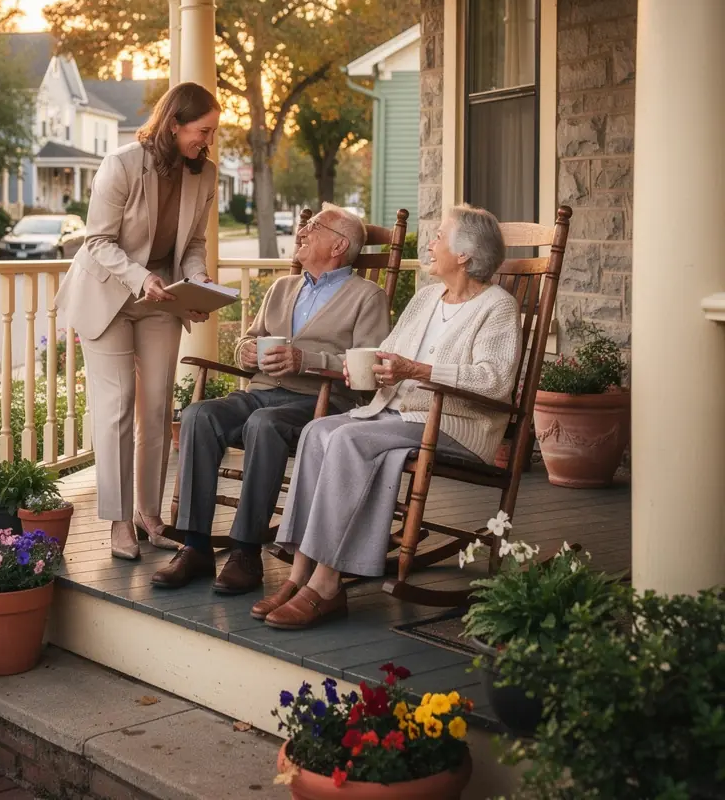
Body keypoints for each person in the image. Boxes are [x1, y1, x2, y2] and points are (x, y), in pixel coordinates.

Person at [254, 205, 521, 630]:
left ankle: (326, 585)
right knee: (319, 430)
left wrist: (416, 371)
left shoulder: (497, 308)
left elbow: (493, 381)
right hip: (396, 413)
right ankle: (300, 573)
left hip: (455, 426)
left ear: (466, 254)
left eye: (439, 236)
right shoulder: (426, 298)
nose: (430, 243)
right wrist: (367, 368)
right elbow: (388, 354)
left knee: (349, 440)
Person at [152, 204, 391, 594]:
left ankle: (246, 552)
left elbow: (368, 371)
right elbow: (251, 336)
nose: (302, 233)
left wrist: (305, 360)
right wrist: (245, 351)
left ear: (338, 245)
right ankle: (195, 546)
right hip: (261, 391)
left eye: (313, 227)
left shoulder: (368, 297)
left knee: (264, 425)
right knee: (199, 415)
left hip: (321, 403)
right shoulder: (283, 287)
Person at [55, 82, 220, 561]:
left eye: (211, 133)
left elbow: (190, 245)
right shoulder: (123, 164)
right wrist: (141, 276)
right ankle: (118, 521)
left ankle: (150, 514)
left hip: (160, 298)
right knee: (118, 403)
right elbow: (97, 241)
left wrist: (199, 281)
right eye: (202, 131)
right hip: (107, 293)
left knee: (156, 406)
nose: (206, 141)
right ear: (174, 123)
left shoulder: (205, 175)